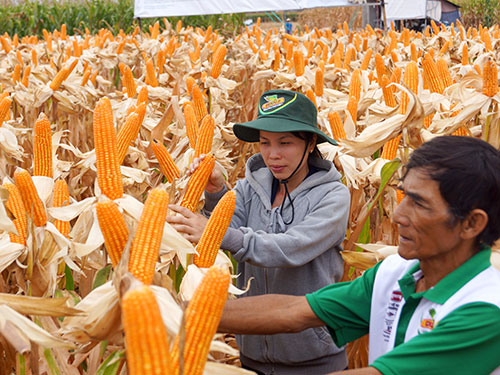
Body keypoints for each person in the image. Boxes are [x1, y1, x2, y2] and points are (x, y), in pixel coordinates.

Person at [217, 135, 500, 375]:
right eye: (403, 197)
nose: (399, 215)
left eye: (420, 204)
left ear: (472, 223)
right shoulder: (396, 272)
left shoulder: (486, 310)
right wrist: (183, 313)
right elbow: (295, 311)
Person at [167, 89, 351, 374]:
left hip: (314, 360)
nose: (272, 154)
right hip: (251, 358)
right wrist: (216, 193)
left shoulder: (333, 197)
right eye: (264, 143)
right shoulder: (249, 187)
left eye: (285, 142)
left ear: (311, 142)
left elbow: (289, 249)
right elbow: (227, 232)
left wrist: (212, 231)